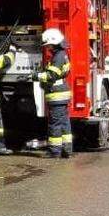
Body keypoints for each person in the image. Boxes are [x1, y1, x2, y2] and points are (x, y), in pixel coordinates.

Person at [37, 27, 73, 158]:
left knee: (55, 124)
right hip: (61, 95)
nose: (48, 48)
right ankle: (66, 149)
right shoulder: (62, 54)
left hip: (57, 95)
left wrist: (37, 76)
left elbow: (52, 75)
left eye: (49, 45)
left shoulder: (58, 57)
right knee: (64, 123)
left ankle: (55, 151)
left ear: (54, 42)